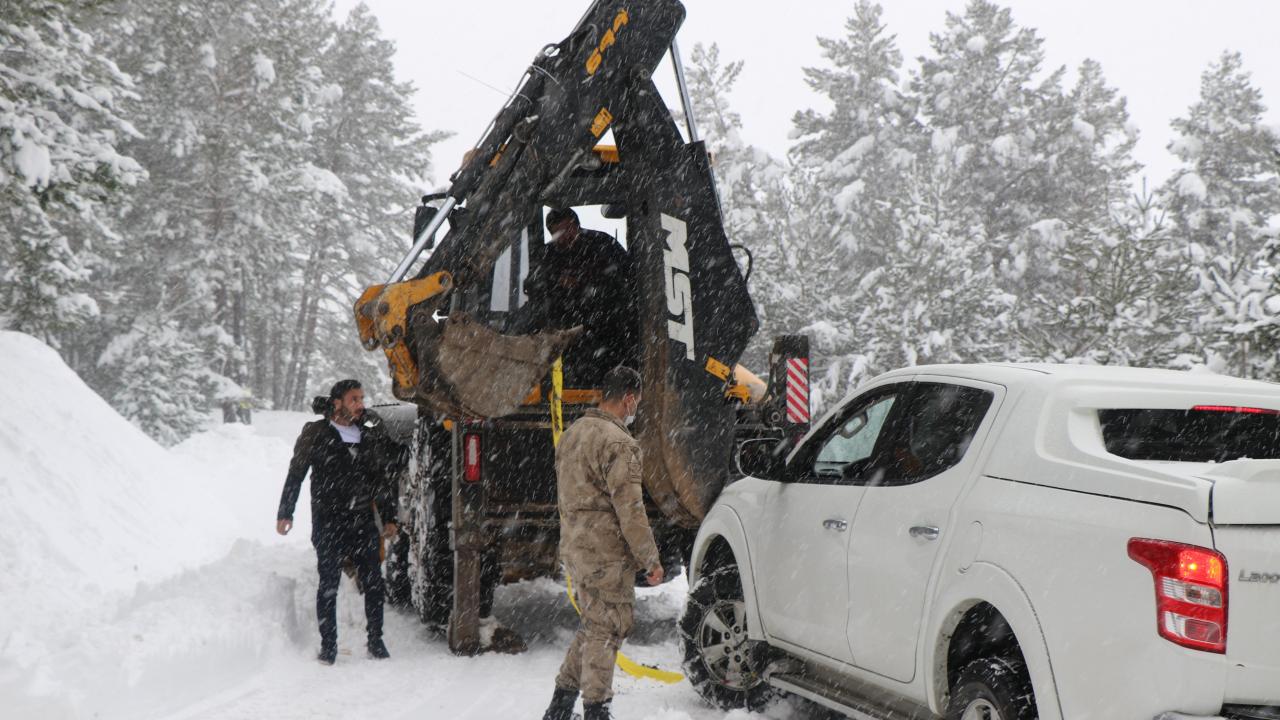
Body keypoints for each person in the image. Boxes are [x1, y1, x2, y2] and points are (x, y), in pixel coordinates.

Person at [541, 366, 664, 720]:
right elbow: (631, 510)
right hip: (606, 552)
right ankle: (597, 710)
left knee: (594, 625)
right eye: (636, 401)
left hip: (577, 546)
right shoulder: (619, 443)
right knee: (609, 627)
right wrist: (650, 559)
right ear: (628, 398)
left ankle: (560, 707)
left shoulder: (574, 433)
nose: (635, 408)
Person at [276, 379, 401, 665]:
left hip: (362, 520)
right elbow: (296, 474)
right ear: (337, 403)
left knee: (373, 582)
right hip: (328, 520)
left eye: (361, 398)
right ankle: (329, 645)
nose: (360, 404)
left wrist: (389, 516)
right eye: (354, 399)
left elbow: (380, 478)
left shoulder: (368, 431)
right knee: (329, 582)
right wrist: (286, 512)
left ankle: (376, 641)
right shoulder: (316, 433)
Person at [523, 208, 638, 383]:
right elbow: (532, 285)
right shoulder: (547, 254)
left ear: (576, 226)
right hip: (565, 326)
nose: (563, 237)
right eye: (556, 233)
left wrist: (587, 285)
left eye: (567, 230)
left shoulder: (602, 244)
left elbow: (626, 280)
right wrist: (556, 282)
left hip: (605, 324)